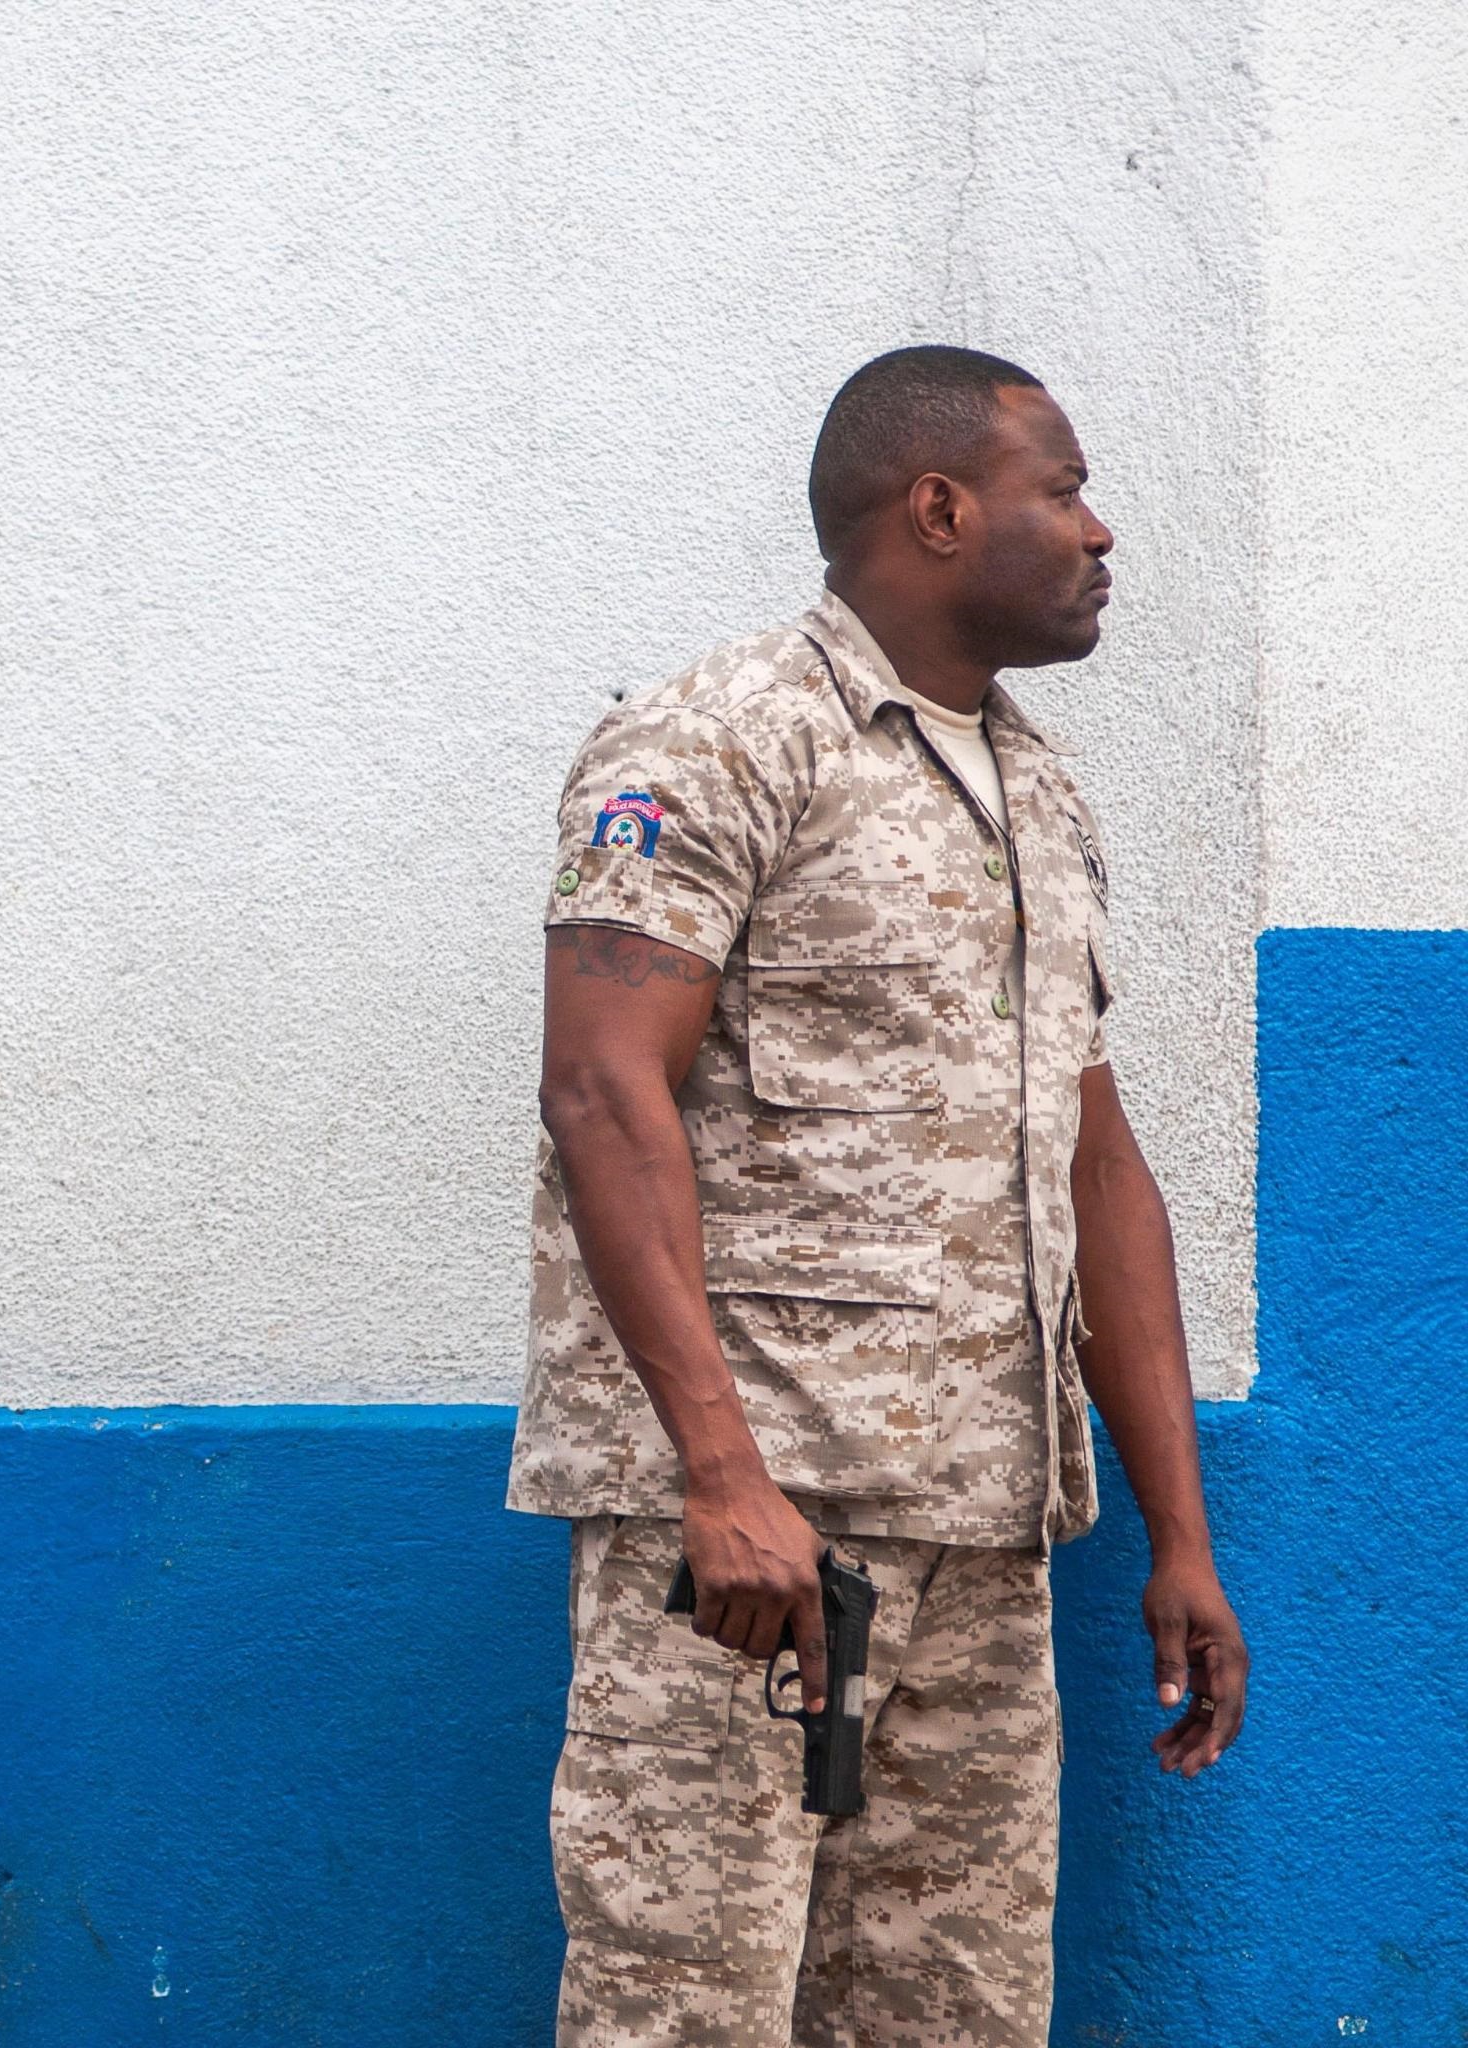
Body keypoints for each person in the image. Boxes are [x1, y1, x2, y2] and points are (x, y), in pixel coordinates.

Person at [510, 345, 1247, 2046]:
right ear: (938, 507)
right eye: (1061, 489)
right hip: (752, 1541)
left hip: (982, 1536)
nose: (1098, 527)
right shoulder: (715, 738)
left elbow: (1098, 1167)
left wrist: (1177, 1534)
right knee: (683, 2007)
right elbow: (600, 1086)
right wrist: (717, 1472)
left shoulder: (1036, 795)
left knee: (953, 2015)